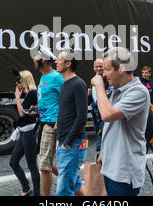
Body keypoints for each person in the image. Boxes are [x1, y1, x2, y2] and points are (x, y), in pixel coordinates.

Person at [91, 47, 150, 196]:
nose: (103, 74)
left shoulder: (138, 91)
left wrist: (99, 85)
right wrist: (104, 151)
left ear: (121, 68)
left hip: (124, 172)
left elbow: (107, 115)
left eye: (107, 69)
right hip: (111, 166)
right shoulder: (117, 90)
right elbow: (111, 125)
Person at [55, 50, 88, 196]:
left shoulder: (78, 84)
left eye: (59, 59)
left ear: (68, 64)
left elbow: (82, 117)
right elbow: (63, 114)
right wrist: (59, 140)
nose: (55, 61)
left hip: (73, 144)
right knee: (74, 184)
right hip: (65, 142)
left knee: (63, 191)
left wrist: (67, 141)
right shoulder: (64, 84)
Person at [33, 53, 64, 196]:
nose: (34, 60)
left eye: (36, 58)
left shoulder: (57, 77)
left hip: (52, 124)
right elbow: (47, 99)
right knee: (48, 162)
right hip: (42, 122)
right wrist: (36, 108)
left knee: (44, 166)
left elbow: (66, 100)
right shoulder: (43, 77)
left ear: (43, 60)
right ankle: (74, 183)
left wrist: (58, 121)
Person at [9, 70, 40, 196]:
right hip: (23, 133)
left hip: (29, 134)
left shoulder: (32, 94)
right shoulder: (29, 94)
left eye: (19, 82)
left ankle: (37, 194)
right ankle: (26, 189)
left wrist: (16, 97)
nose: (17, 84)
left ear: (25, 81)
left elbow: (22, 113)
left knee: (32, 166)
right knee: (13, 162)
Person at [88, 59, 108, 157]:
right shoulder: (93, 80)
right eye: (96, 66)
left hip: (103, 115)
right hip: (95, 114)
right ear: (93, 67)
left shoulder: (107, 79)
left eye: (101, 66)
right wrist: (90, 98)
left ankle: (100, 158)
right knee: (99, 135)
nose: (98, 68)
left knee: (102, 138)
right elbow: (93, 98)